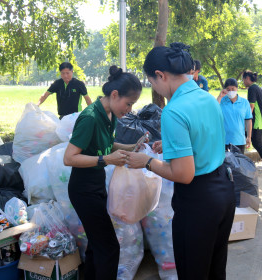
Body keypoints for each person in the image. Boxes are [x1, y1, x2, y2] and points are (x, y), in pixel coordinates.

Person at [124, 43, 235, 279]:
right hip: (224, 190)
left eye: (152, 82)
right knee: (216, 268)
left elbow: (184, 174)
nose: (154, 88)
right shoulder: (207, 98)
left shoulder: (174, 111)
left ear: (161, 75)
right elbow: (208, 138)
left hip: (198, 200)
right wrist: (172, 145)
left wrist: (146, 161)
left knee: (193, 271)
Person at [63, 65, 143, 279]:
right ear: (115, 95)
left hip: (97, 187)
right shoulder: (90, 117)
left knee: (96, 246)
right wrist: (105, 159)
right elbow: (69, 158)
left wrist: (131, 148)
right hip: (83, 191)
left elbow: (108, 144)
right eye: (128, 103)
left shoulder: (110, 113)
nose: (129, 109)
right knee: (109, 248)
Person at [243, 70, 262, 174]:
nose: (243, 82)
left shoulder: (252, 88)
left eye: (243, 79)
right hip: (260, 120)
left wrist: (246, 118)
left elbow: (251, 106)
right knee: (249, 140)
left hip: (258, 122)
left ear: (247, 78)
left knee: (257, 144)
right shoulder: (257, 87)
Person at [217, 78, 252, 154]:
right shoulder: (221, 101)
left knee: (239, 164)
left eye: (233, 89)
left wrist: (249, 137)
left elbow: (248, 120)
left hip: (239, 140)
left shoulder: (244, 102)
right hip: (224, 140)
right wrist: (220, 97)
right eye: (228, 89)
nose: (231, 91)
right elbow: (213, 111)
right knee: (225, 165)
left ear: (237, 89)